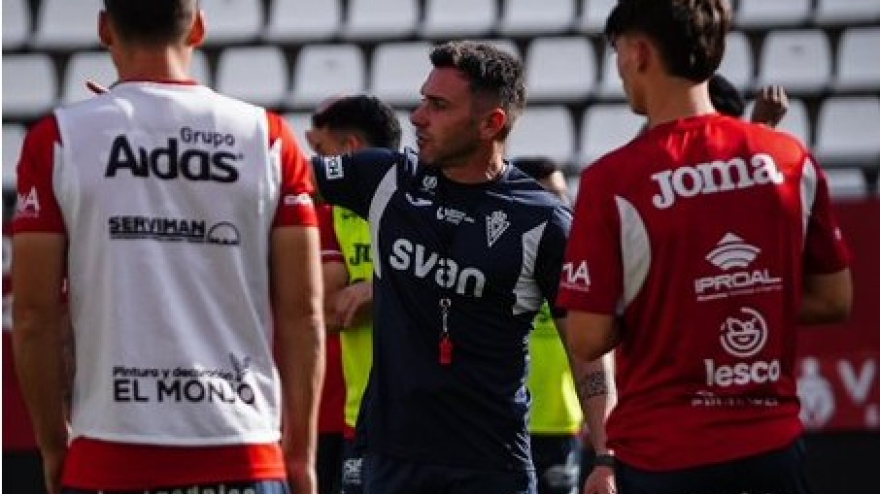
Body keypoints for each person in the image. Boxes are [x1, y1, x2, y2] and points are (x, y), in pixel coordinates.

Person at [11, 1, 325, 494]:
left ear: (104, 28)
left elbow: (32, 316)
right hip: (243, 453)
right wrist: (301, 455)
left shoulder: (60, 139)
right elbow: (304, 312)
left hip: (107, 460)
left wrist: (53, 448)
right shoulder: (269, 139)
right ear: (198, 27)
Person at [558, 1, 853, 494]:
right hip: (772, 447)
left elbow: (588, 337)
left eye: (617, 51)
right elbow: (834, 300)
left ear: (638, 52)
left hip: (664, 456)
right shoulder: (787, 158)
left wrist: (678, 309)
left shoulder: (615, 179)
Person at [311, 40, 614, 494]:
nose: (417, 117)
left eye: (437, 106)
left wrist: (607, 457)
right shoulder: (385, 179)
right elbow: (277, 176)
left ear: (491, 123)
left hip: (491, 468)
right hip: (391, 462)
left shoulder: (543, 221)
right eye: (422, 100)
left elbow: (586, 350)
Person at [306, 95, 402, 494]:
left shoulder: (429, 196)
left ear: (347, 152)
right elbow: (328, 310)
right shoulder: (332, 213)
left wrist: (379, 290)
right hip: (358, 418)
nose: (315, 170)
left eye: (322, 152)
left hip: (430, 421)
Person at [511, 156, 584, 494]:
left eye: (563, 195)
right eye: (549, 196)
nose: (560, 206)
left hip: (561, 424)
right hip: (506, 426)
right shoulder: (497, 264)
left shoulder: (577, 268)